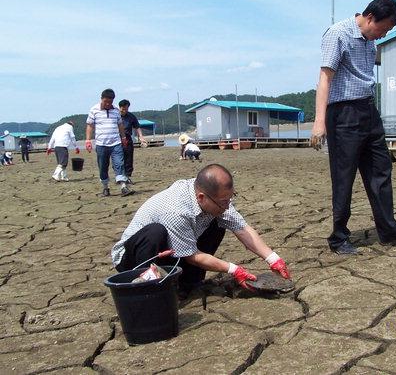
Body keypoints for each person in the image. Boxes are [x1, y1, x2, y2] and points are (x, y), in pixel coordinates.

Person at [310, 0, 396, 255]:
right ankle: (339, 238)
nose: (382, 35)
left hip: (368, 111)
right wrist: (319, 122)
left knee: (380, 172)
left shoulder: (370, 43)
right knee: (344, 178)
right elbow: (325, 79)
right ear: (370, 17)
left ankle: (389, 231)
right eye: (383, 29)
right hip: (343, 115)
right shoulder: (338, 34)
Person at [111, 164, 290, 293]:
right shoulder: (176, 209)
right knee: (155, 232)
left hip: (172, 249)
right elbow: (191, 255)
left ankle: (189, 282)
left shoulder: (216, 199)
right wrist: (233, 269)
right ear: (202, 197)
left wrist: (273, 258)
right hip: (132, 258)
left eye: (230, 198)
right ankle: (150, 288)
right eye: (223, 202)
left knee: (217, 224)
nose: (228, 206)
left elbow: (241, 228)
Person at [85, 89, 133, 197]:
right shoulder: (94, 110)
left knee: (119, 164)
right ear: (101, 99)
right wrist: (88, 140)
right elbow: (90, 125)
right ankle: (105, 188)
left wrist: (124, 137)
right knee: (103, 166)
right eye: (106, 102)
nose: (108, 104)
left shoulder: (116, 110)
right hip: (101, 144)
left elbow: (120, 125)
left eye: (110, 102)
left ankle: (124, 187)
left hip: (116, 142)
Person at [118, 99, 148, 184]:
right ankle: (120, 176)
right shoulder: (115, 116)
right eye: (123, 109)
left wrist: (141, 137)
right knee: (118, 159)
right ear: (120, 107)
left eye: (126, 109)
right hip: (117, 139)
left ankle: (127, 177)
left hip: (127, 139)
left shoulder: (131, 116)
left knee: (129, 159)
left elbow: (137, 127)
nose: (125, 111)